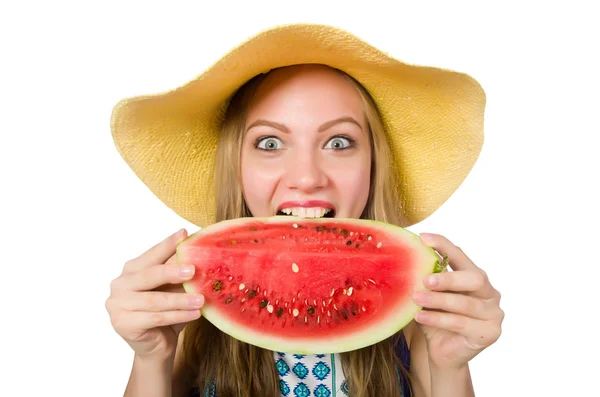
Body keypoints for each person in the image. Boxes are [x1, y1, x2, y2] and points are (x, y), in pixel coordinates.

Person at [106, 23, 504, 397]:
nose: (307, 177)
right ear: (237, 166)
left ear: (373, 164)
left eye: (338, 142)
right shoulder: (190, 313)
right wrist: (150, 358)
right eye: (269, 143)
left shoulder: (418, 321)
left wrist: (451, 367)